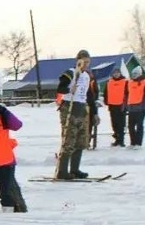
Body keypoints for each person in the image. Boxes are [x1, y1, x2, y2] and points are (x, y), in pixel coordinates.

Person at [54, 49, 98, 179]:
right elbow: (60, 88)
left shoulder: (87, 76)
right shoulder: (70, 73)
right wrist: (69, 89)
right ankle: (62, 171)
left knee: (81, 140)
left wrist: (94, 113)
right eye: (83, 62)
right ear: (78, 61)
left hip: (81, 107)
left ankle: (75, 169)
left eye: (88, 62)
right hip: (69, 107)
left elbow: (90, 96)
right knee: (69, 140)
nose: (85, 64)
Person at [126, 66, 145, 147]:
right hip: (131, 109)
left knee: (139, 126)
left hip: (140, 109)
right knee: (130, 127)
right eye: (133, 74)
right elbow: (127, 95)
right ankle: (133, 142)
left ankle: (138, 143)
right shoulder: (129, 83)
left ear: (139, 74)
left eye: (135, 74)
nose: (134, 75)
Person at [104, 68, 128, 146]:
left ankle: (121, 140)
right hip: (112, 105)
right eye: (115, 73)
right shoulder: (109, 82)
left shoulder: (125, 82)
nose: (116, 74)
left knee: (121, 124)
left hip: (121, 106)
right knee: (114, 124)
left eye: (118, 73)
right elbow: (106, 93)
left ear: (120, 73)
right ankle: (117, 139)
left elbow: (128, 93)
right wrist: (106, 101)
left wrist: (126, 104)